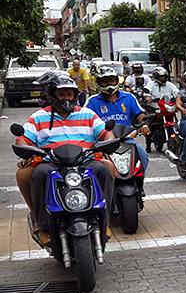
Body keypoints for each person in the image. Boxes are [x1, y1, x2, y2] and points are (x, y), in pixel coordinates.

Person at [15, 72, 115, 246]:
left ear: (75, 95)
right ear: (52, 95)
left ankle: (104, 220)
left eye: (69, 94)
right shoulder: (39, 116)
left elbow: (106, 132)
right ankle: (42, 224)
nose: (66, 98)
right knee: (37, 175)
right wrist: (26, 150)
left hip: (84, 160)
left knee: (105, 170)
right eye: (61, 94)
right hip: (51, 162)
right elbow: (23, 138)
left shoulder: (87, 114)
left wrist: (109, 141)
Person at [86, 66, 151, 173]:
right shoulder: (92, 101)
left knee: (142, 154)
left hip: (126, 139)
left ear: (116, 81)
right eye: (105, 81)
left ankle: (139, 184)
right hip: (102, 143)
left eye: (111, 80)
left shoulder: (128, 97)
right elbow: (85, 120)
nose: (109, 84)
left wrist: (144, 125)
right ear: (99, 83)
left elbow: (139, 115)